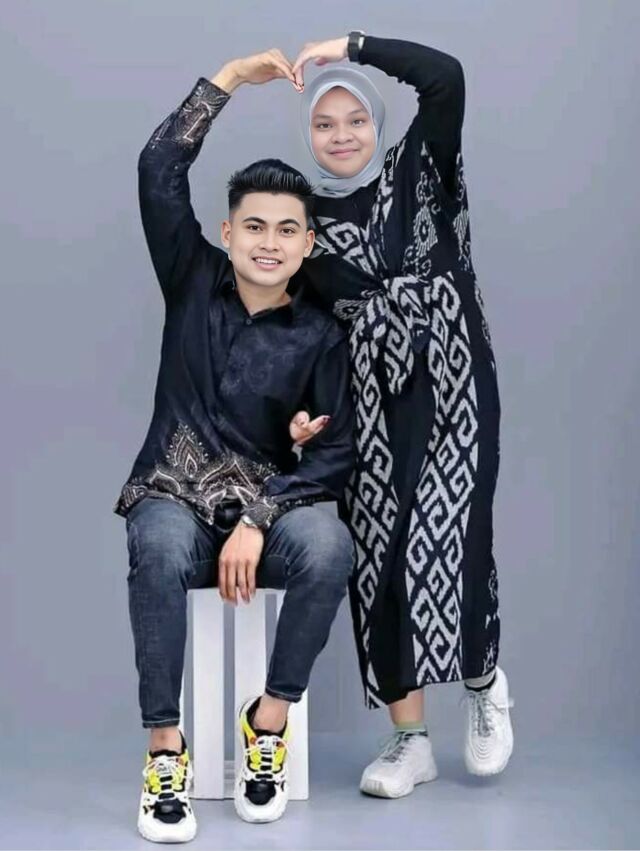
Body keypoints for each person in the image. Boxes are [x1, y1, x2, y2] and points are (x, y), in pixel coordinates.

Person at [114, 50, 356, 840]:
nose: (268, 242)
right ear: (228, 231)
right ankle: (165, 749)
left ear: (308, 242)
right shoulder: (191, 277)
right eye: (254, 226)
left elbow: (336, 452)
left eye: (287, 229)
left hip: (267, 516)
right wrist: (229, 80)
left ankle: (268, 723)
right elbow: (157, 168)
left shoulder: (320, 335)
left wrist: (260, 513)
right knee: (155, 541)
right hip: (173, 499)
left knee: (329, 545)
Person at [287, 32, 514, 798]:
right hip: (369, 405)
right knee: (381, 562)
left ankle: (482, 683)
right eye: (325, 124)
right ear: (310, 134)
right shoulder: (304, 221)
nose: (341, 135)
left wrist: (353, 46)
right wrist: (307, 413)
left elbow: (445, 77)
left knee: (454, 536)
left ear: (376, 123)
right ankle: (410, 738)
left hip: (453, 378)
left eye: (355, 119)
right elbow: (307, 334)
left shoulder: (421, 165)